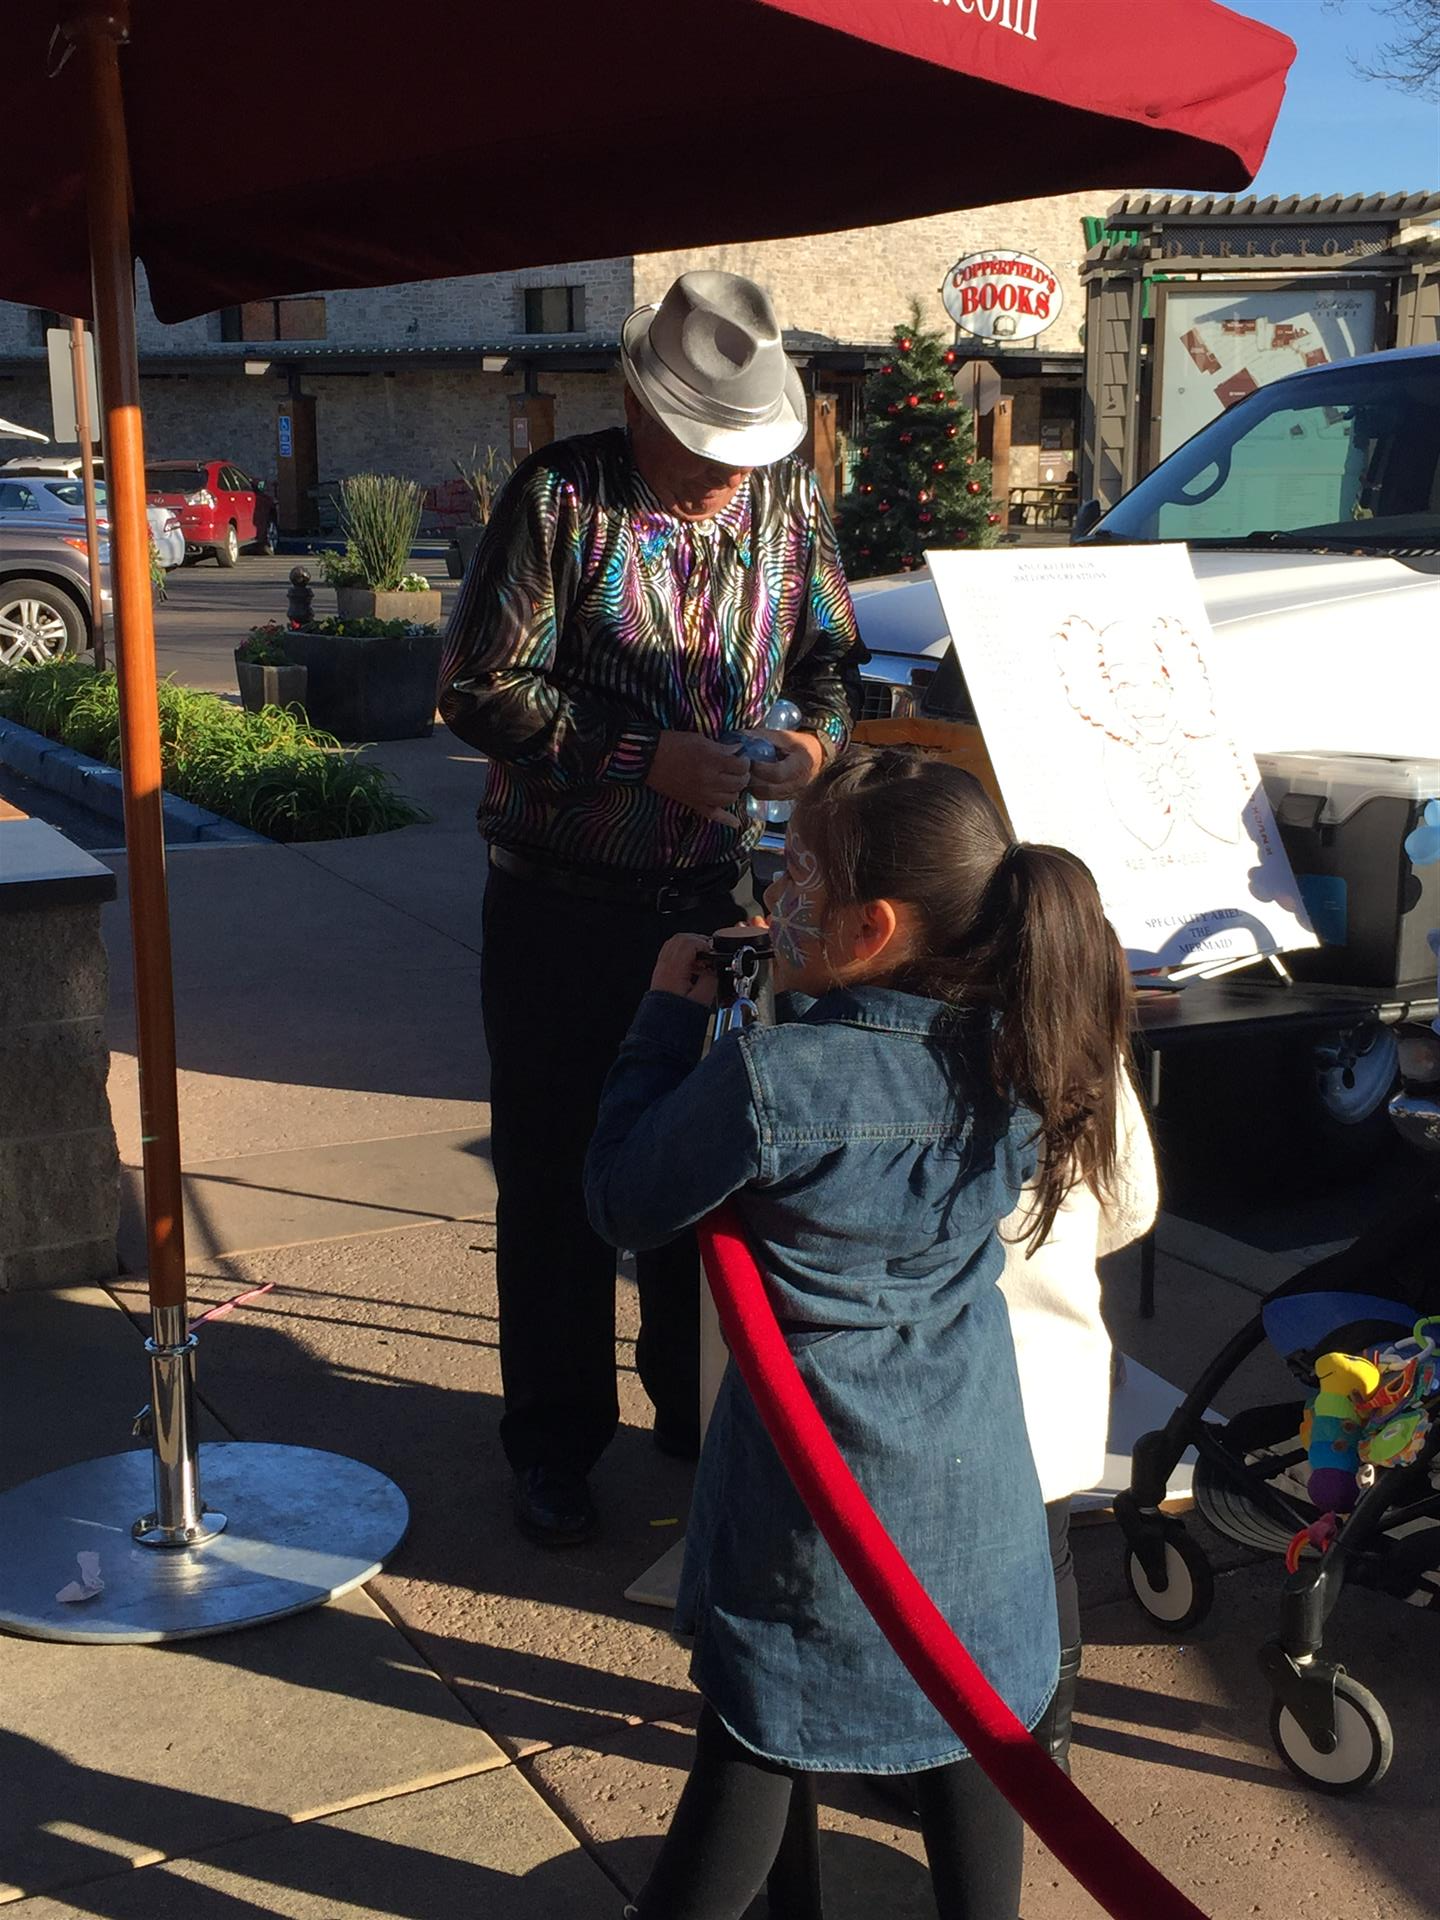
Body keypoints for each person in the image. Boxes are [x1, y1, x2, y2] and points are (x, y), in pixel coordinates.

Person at [584, 747, 1135, 1920]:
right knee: (977, 1742)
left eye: (794, 880)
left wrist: (662, 1023)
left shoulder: (777, 1080)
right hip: (977, 1474)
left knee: (757, 1739)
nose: (771, 903)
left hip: (820, 1492)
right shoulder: (1029, 1045)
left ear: (874, 926)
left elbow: (624, 1196)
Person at [439, 270, 860, 1547]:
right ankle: (556, 1442)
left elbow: (831, 657)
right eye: (704, 447)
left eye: (748, 447)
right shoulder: (560, 497)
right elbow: (474, 689)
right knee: (557, 1177)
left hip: (721, 889)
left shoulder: (788, 495)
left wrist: (816, 746)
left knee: (707, 1163)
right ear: (639, 406)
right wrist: (642, 755)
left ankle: (691, 1407)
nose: (730, 473)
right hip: (564, 904)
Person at [998, 1048, 1158, 1772]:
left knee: (927, 1582)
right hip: (1055, 1362)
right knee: (1047, 1558)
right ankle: (1046, 1753)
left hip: (941, 1371)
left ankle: (949, 1763)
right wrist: (1059, 1250)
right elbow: (1131, 1201)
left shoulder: (904, 1015)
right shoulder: (1080, 1030)